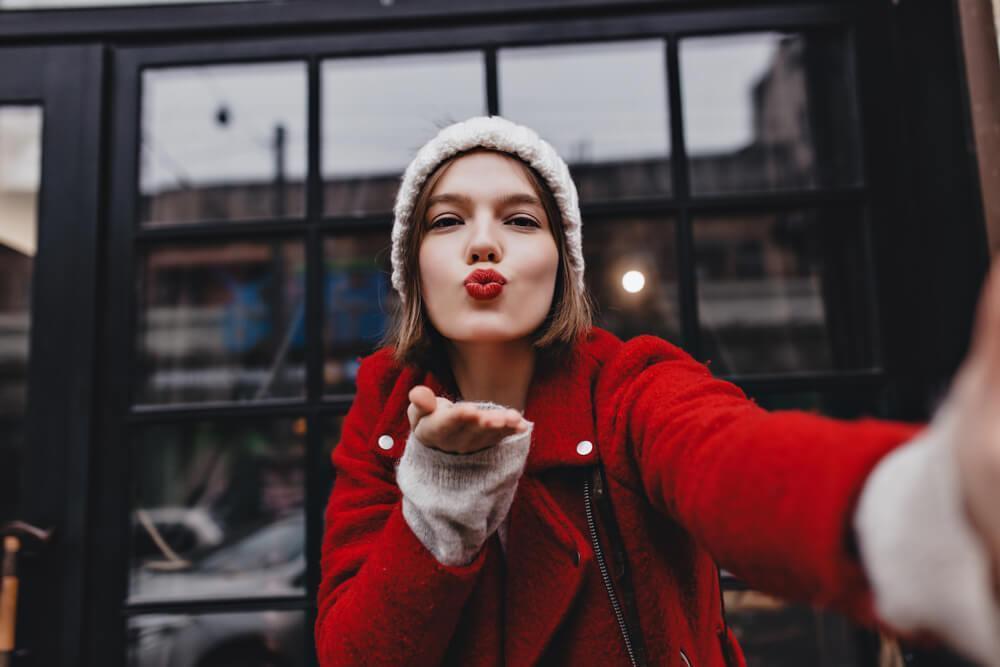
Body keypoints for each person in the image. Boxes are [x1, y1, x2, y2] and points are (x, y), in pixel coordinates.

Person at [315, 116, 1000, 666]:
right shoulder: (381, 416)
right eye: (447, 220)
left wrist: (929, 506)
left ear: (564, 264)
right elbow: (351, 653)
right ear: (414, 268)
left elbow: (730, 458)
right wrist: (439, 503)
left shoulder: (628, 387)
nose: (484, 243)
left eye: (521, 220)